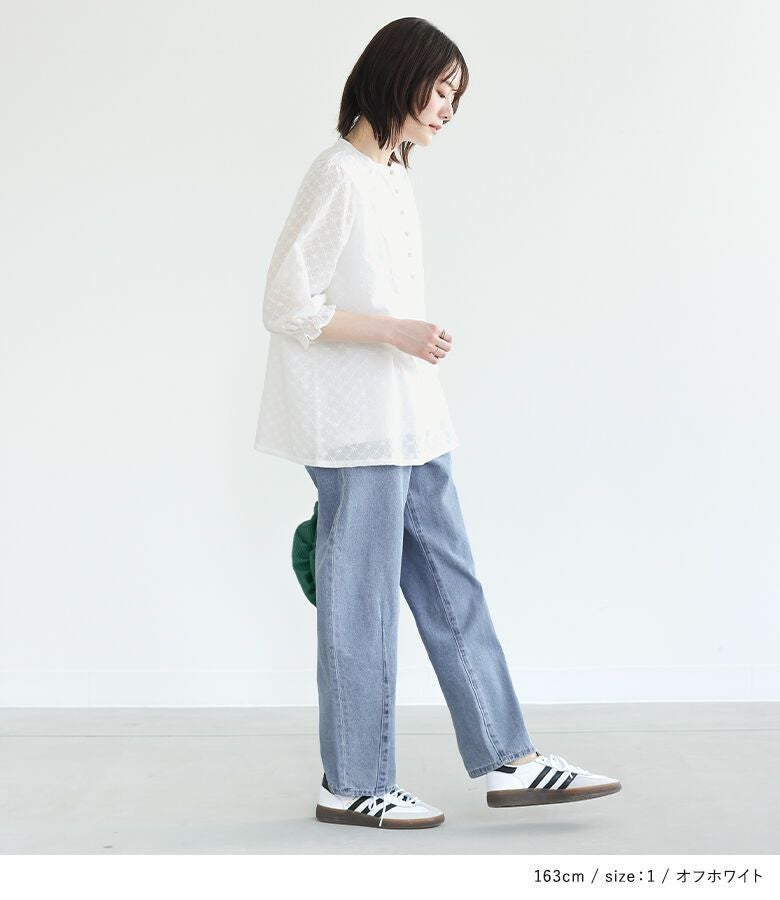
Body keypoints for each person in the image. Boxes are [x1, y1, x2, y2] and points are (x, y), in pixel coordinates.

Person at [254, 17, 621, 829]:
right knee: (361, 604)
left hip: (410, 420)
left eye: (458, 94)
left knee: (454, 587)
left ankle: (509, 758)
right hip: (356, 429)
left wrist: (405, 345)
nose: (451, 107)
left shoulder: (390, 175)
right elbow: (285, 303)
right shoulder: (338, 174)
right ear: (399, 75)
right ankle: (353, 781)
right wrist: (395, 331)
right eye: (441, 88)